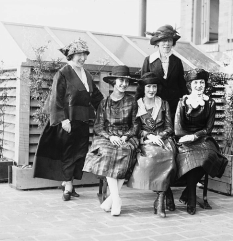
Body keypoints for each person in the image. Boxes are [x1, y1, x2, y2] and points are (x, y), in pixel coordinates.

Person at [33, 38, 104, 201]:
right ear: (71, 55)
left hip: (83, 121)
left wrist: (110, 106)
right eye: (79, 55)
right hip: (68, 122)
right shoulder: (63, 73)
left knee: (79, 153)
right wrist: (63, 121)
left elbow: (96, 97)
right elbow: (56, 99)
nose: (83, 58)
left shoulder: (86, 74)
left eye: (85, 55)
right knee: (68, 154)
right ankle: (68, 186)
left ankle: (68, 183)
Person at [141, 24, 188, 211]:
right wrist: (141, 108)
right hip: (155, 109)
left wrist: (186, 101)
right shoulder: (149, 60)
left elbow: (182, 86)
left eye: (169, 41)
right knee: (157, 148)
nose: (166, 44)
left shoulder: (177, 61)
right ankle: (164, 192)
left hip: (173, 109)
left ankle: (167, 188)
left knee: (172, 147)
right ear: (157, 43)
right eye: (163, 41)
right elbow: (144, 85)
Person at [83, 65, 139, 216]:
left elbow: (135, 125)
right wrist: (110, 137)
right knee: (107, 153)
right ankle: (117, 199)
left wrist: (125, 137)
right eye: (120, 80)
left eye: (126, 81)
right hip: (107, 136)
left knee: (126, 151)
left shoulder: (132, 101)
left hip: (126, 136)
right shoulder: (104, 103)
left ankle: (111, 200)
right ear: (114, 82)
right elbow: (98, 126)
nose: (123, 84)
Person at [174, 68, 228, 215]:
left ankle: (188, 192)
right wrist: (188, 137)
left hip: (203, 138)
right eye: (196, 82)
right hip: (184, 138)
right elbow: (178, 129)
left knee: (207, 156)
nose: (199, 85)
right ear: (190, 85)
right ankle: (191, 195)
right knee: (190, 156)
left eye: (202, 82)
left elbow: (208, 128)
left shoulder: (210, 103)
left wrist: (195, 136)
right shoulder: (183, 102)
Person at [127, 72, 177, 218]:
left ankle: (160, 200)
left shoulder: (163, 103)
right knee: (152, 156)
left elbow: (169, 127)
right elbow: (135, 128)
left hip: (162, 139)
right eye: (148, 86)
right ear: (143, 88)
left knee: (167, 154)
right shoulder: (137, 105)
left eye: (154, 86)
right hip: (145, 140)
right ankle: (164, 194)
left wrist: (159, 136)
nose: (151, 90)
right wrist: (149, 136)